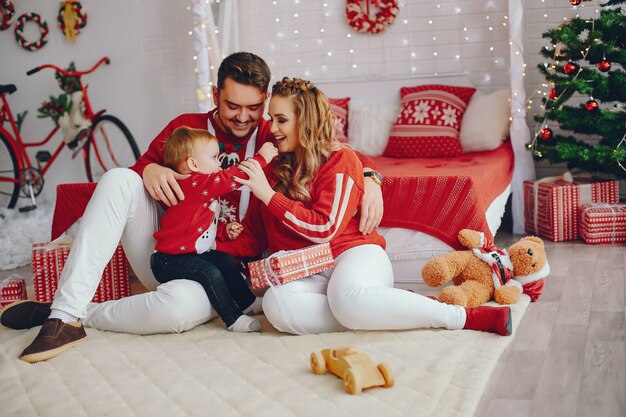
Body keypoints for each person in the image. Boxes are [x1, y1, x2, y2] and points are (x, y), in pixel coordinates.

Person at [0, 52, 385, 363]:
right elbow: (136, 176)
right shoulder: (186, 128)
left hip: (223, 274)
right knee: (118, 178)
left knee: (176, 313)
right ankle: (65, 316)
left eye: (253, 107)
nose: (243, 117)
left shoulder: (274, 134)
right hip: (171, 254)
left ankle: (70, 311)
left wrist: (371, 176)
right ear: (215, 94)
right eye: (233, 105)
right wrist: (147, 168)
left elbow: (331, 150)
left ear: (265, 102)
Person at [217, 77, 513, 337]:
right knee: (276, 305)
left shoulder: (340, 161)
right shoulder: (271, 169)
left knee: (347, 300)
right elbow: (255, 234)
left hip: (354, 255)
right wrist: (212, 254)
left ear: (304, 121)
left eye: (281, 120)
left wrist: (269, 195)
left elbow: (324, 227)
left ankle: (458, 317)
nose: (273, 128)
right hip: (308, 270)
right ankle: (386, 307)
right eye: (271, 119)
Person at [151, 126, 278, 333]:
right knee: (209, 272)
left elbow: (195, 226)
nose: (219, 163)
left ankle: (247, 302)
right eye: (213, 157)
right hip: (168, 260)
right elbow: (231, 178)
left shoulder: (201, 188)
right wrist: (261, 159)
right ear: (193, 164)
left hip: (192, 253)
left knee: (225, 261)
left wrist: (223, 231)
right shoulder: (194, 182)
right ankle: (232, 317)